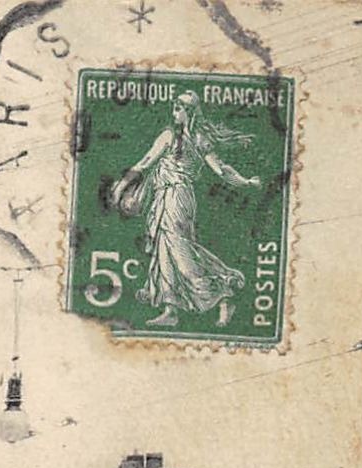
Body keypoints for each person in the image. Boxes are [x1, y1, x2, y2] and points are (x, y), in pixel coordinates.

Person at [110, 90, 260, 329]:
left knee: (180, 251)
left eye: (178, 108)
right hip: (166, 197)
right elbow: (148, 161)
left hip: (176, 197)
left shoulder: (184, 138)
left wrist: (121, 186)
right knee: (165, 250)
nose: (174, 112)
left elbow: (220, 169)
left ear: (188, 111)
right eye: (173, 107)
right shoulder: (185, 137)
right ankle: (171, 309)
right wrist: (246, 181)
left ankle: (223, 293)